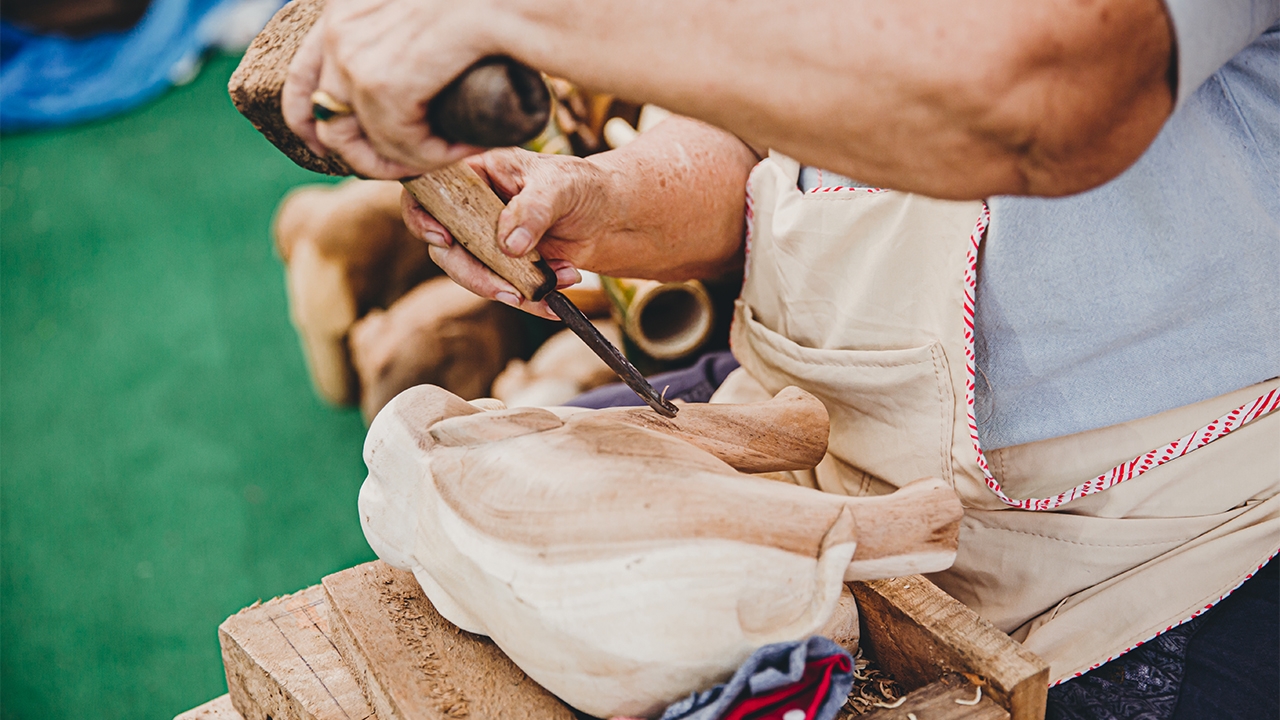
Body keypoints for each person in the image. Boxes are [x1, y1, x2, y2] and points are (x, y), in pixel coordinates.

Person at [282, 1, 1279, 718]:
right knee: (458, 507)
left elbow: (1042, 86)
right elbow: (766, 127)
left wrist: (528, 13)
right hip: (815, 421)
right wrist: (611, 195)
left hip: (1151, 538)